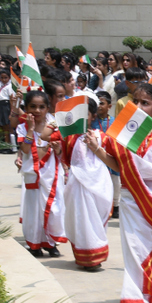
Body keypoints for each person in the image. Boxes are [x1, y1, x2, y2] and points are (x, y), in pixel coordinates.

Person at [86, 83, 152, 303]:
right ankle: (133, 300)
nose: (138, 107)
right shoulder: (123, 131)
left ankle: (146, 295)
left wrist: (129, 158)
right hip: (130, 198)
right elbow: (120, 167)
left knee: (146, 250)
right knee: (132, 251)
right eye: (135, 102)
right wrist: (97, 150)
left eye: (145, 103)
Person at [59, 95, 114, 270]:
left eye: (87, 114)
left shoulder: (101, 136)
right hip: (78, 184)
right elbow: (65, 156)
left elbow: (111, 158)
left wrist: (95, 146)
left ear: (92, 116)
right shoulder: (69, 137)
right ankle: (86, 256)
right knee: (81, 218)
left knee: (95, 219)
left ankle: (96, 255)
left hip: (98, 182)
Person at [18, 90, 67, 257]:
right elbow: (25, 149)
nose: (37, 111)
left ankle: (51, 242)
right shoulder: (22, 126)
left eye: (41, 107)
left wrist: (58, 148)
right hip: (33, 173)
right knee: (34, 209)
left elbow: (62, 150)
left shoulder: (55, 124)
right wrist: (31, 130)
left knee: (54, 207)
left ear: (48, 108)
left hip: (52, 172)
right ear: (26, 108)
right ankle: (35, 244)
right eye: (33, 107)